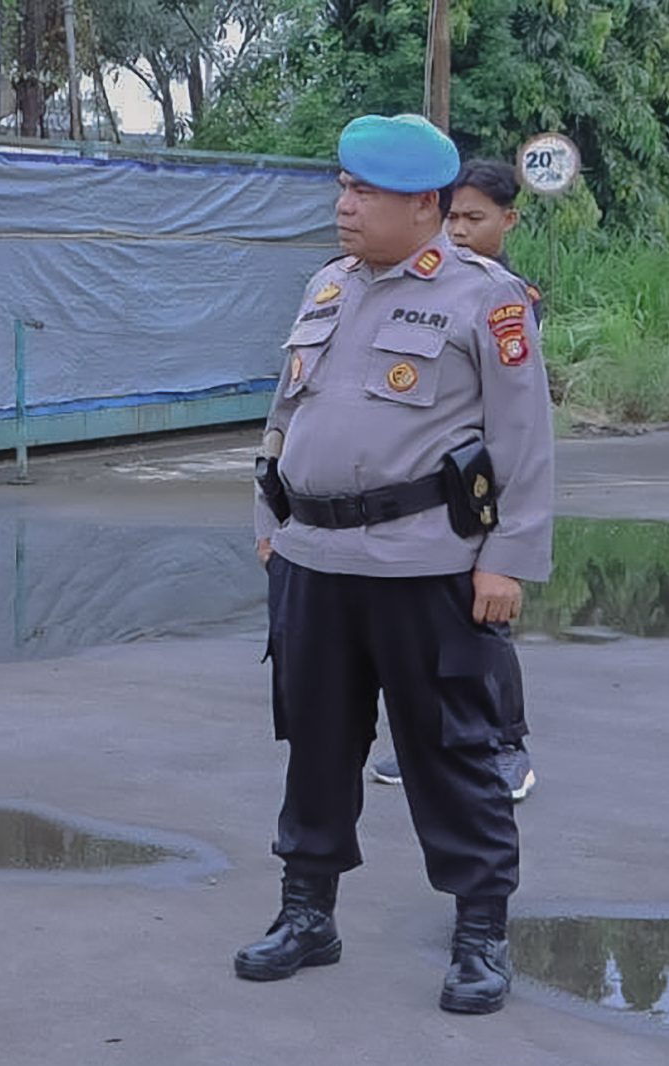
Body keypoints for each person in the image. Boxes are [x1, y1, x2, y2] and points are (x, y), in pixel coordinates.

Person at [238, 114, 553, 1015]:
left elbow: (523, 441)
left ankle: (481, 936)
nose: (344, 205)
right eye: (342, 186)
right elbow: (285, 410)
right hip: (314, 560)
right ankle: (308, 915)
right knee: (316, 743)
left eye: (363, 191)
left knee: (452, 750)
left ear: (426, 206)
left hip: (429, 567)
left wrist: (507, 561)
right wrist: (270, 512)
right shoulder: (328, 286)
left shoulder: (486, 301)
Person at [372, 159, 541, 799]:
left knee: (484, 627)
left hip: (478, 492)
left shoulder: (503, 296)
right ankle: (420, 740)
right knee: (421, 636)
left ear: (508, 220)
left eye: (475, 218)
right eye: (453, 218)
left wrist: (513, 540)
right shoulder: (420, 286)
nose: (462, 230)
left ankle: (506, 746)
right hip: (422, 504)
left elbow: (518, 423)